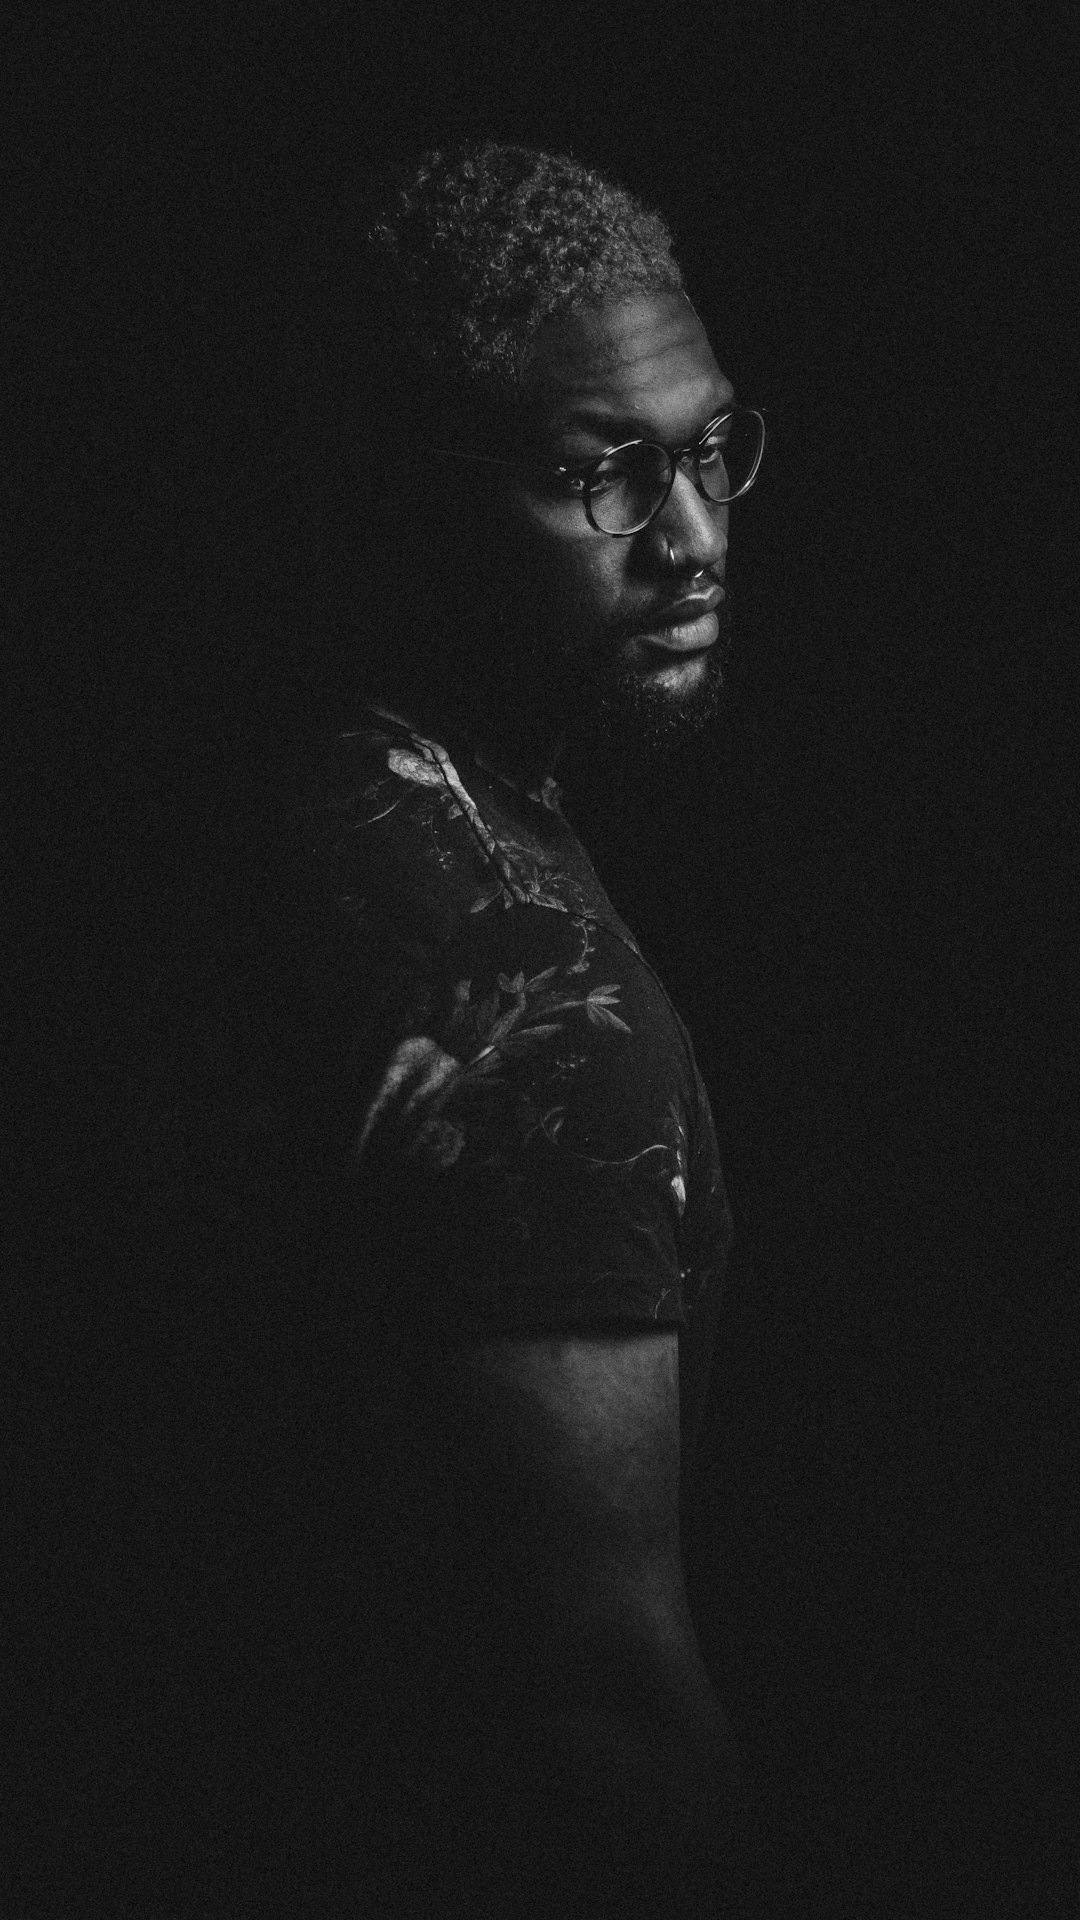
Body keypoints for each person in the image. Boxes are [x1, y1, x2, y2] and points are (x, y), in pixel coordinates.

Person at [277, 141, 768, 1918]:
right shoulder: (534, 1013)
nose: (698, 538)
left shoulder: (316, 800)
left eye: (710, 450)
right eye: (604, 477)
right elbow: (598, 1725)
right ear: (410, 497)